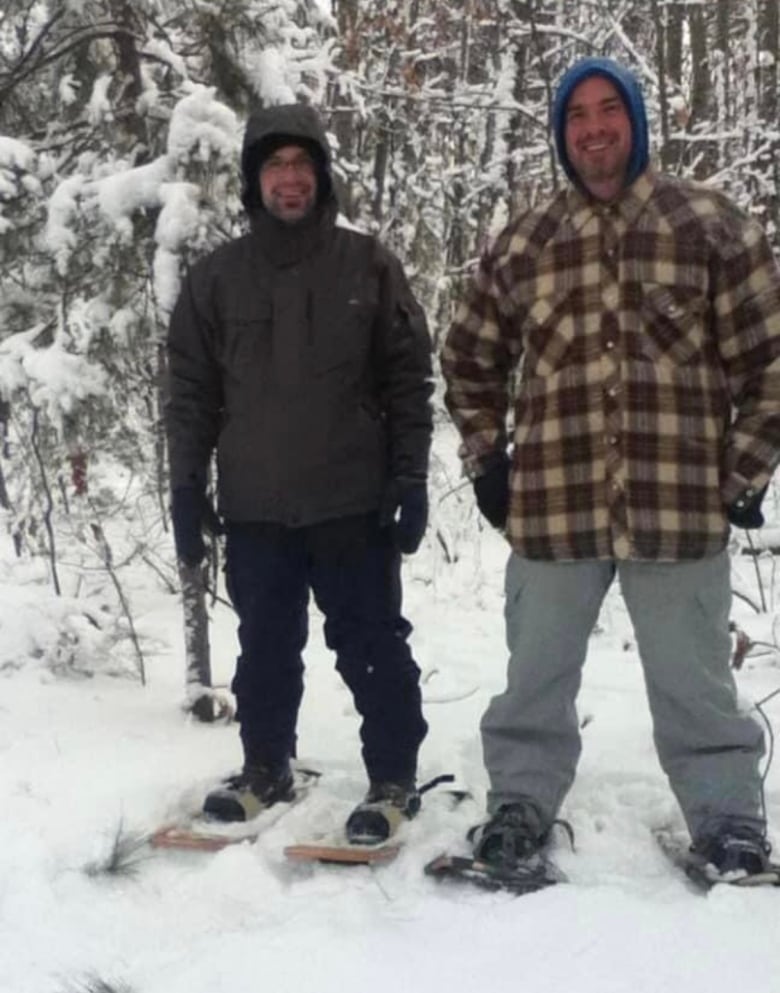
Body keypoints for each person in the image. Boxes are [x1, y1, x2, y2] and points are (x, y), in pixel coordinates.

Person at [441, 56, 780, 877]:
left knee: (695, 684)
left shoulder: (710, 225)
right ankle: (519, 810)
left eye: (608, 111)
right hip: (554, 508)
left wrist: (742, 473)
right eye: (577, 117)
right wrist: (489, 459)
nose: (594, 129)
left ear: (635, 120)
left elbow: (768, 362)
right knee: (534, 682)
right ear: (562, 135)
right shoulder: (525, 243)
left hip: (677, 505)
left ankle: (729, 820)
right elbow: (469, 360)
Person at [165, 103, 433, 844]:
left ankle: (393, 777)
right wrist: (186, 484)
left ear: (321, 175)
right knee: (265, 649)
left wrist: (410, 477)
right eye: (275, 165)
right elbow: (189, 390)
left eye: (301, 164)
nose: (290, 178)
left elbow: (410, 379)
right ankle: (265, 766)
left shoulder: (368, 264)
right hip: (256, 506)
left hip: (353, 501)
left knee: (373, 646)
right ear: (254, 180)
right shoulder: (217, 278)